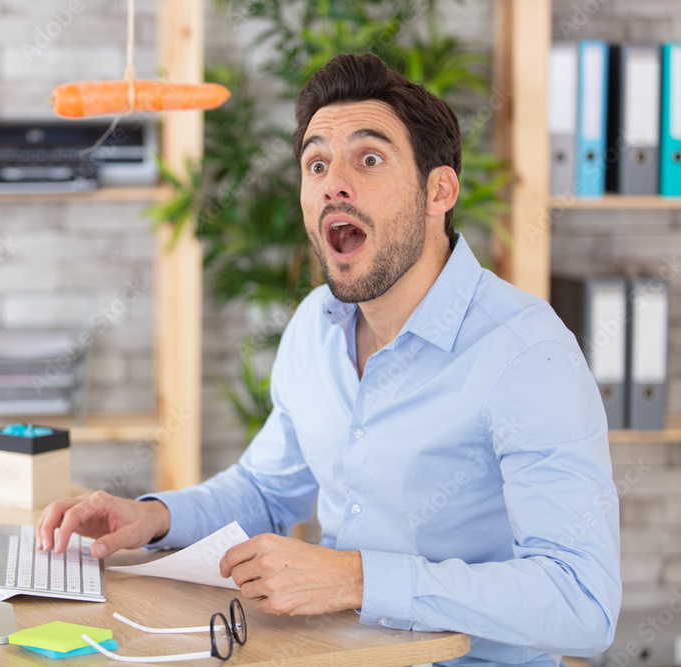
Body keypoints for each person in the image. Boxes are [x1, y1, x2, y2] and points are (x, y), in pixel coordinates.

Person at [37, 53, 621, 665]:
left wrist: (358, 580)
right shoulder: (316, 325)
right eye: (316, 164)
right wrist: (152, 517)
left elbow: (583, 602)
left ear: (438, 190)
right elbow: (267, 490)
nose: (332, 183)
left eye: (368, 159)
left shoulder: (527, 355)